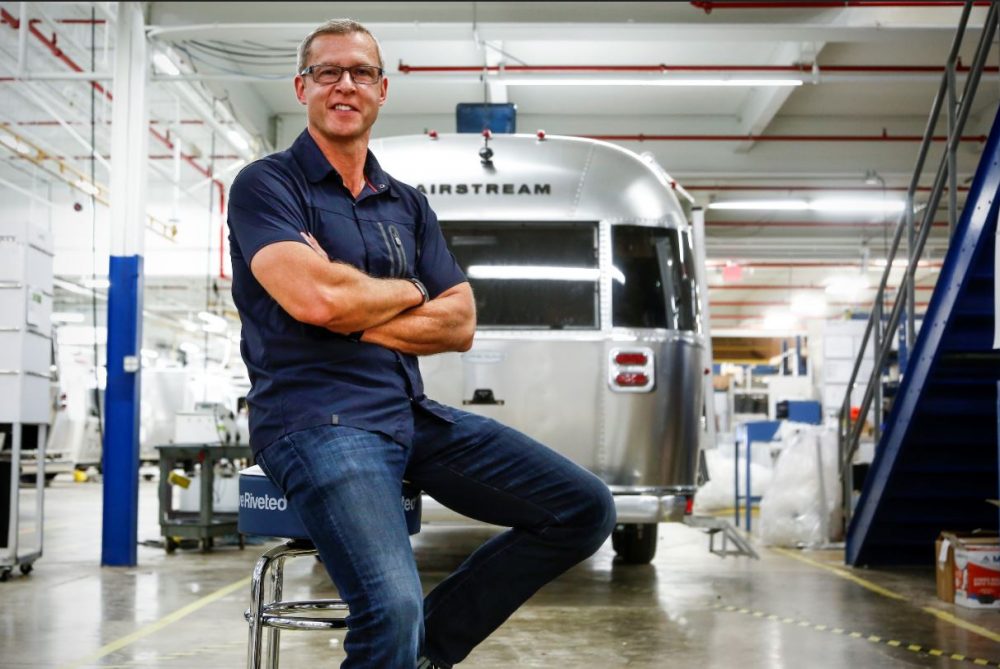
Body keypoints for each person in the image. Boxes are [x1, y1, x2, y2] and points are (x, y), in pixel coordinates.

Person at [227, 18, 616, 669]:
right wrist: (409, 291)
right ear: (302, 87)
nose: (345, 84)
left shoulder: (406, 204)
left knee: (583, 509)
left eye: (361, 72)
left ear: (382, 89)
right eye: (328, 72)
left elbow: (459, 323)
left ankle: (423, 656)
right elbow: (316, 300)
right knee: (391, 606)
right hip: (315, 419)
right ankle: (405, 648)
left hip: (407, 412)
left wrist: (354, 306)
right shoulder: (266, 186)